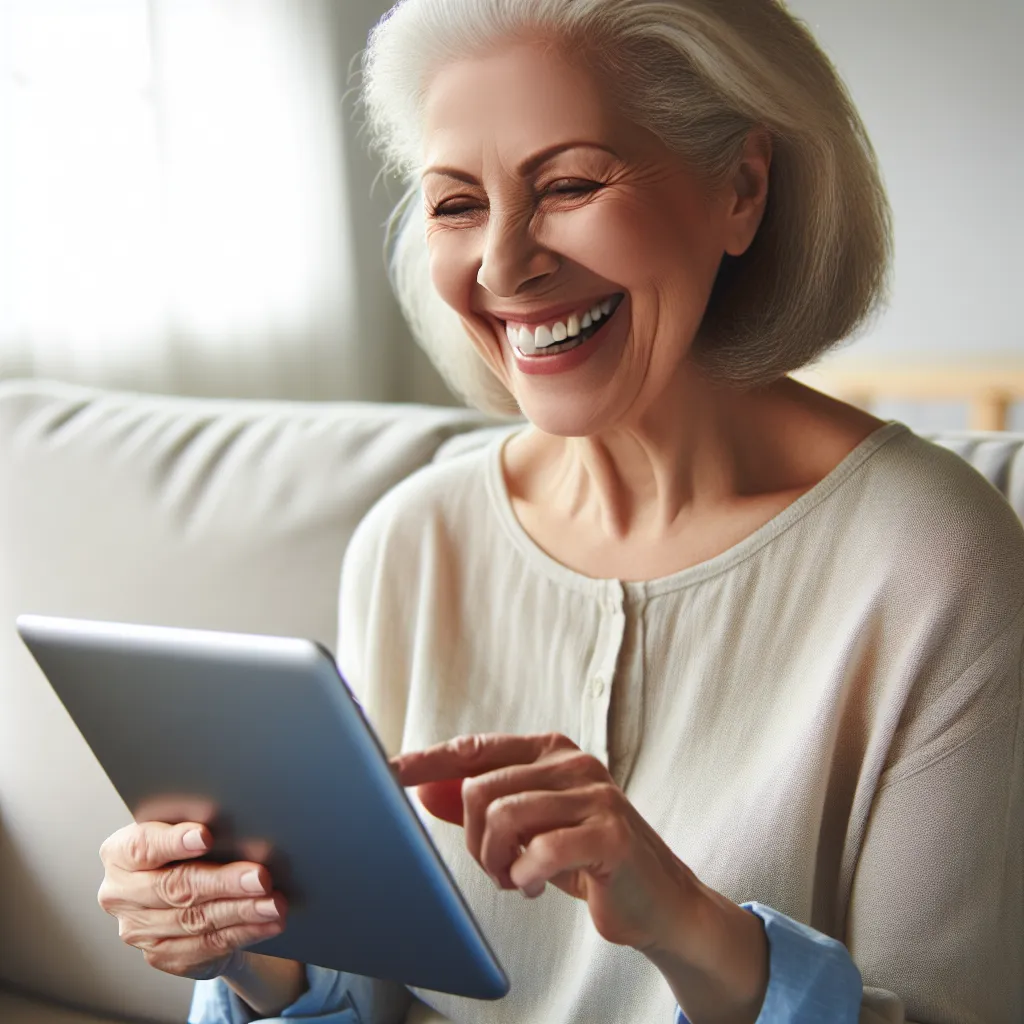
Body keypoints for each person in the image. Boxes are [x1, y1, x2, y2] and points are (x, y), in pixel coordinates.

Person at [95, 1, 1024, 1022]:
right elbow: (367, 998)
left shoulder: (935, 558)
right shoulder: (416, 541)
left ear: (741, 189)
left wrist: (684, 920)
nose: (500, 266)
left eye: (570, 184)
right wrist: (244, 945)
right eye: (455, 204)